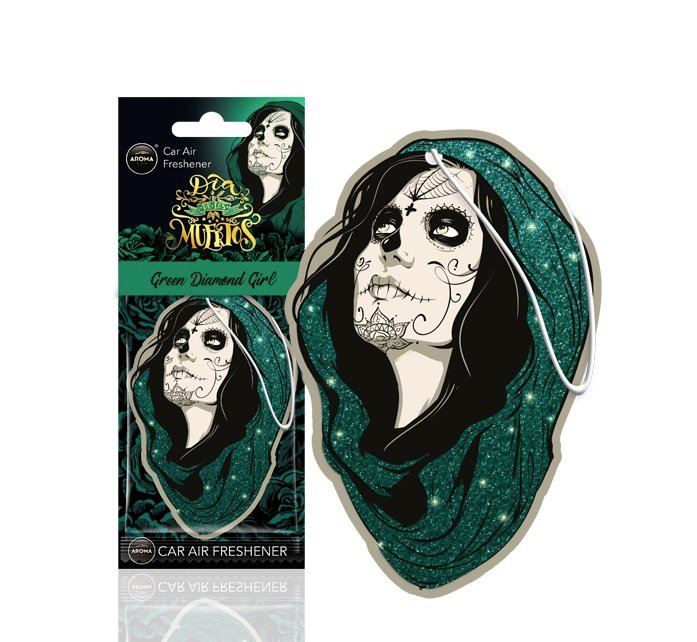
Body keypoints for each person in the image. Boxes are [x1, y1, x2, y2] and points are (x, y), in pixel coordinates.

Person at [291, 136, 594, 591]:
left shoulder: (493, 481)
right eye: (385, 224)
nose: (393, 246)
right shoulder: (344, 442)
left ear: (501, 278)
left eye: (445, 229)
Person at [129, 296, 293, 538]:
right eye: (180, 339)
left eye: (213, 341)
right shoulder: (158, 455)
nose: (184, 350)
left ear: (245, 366)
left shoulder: (240, 475)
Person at [227, 101, 304, 241]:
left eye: (279, 133)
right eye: (258, 131)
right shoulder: (235, 208)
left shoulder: (302, 215)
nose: (261, 138)